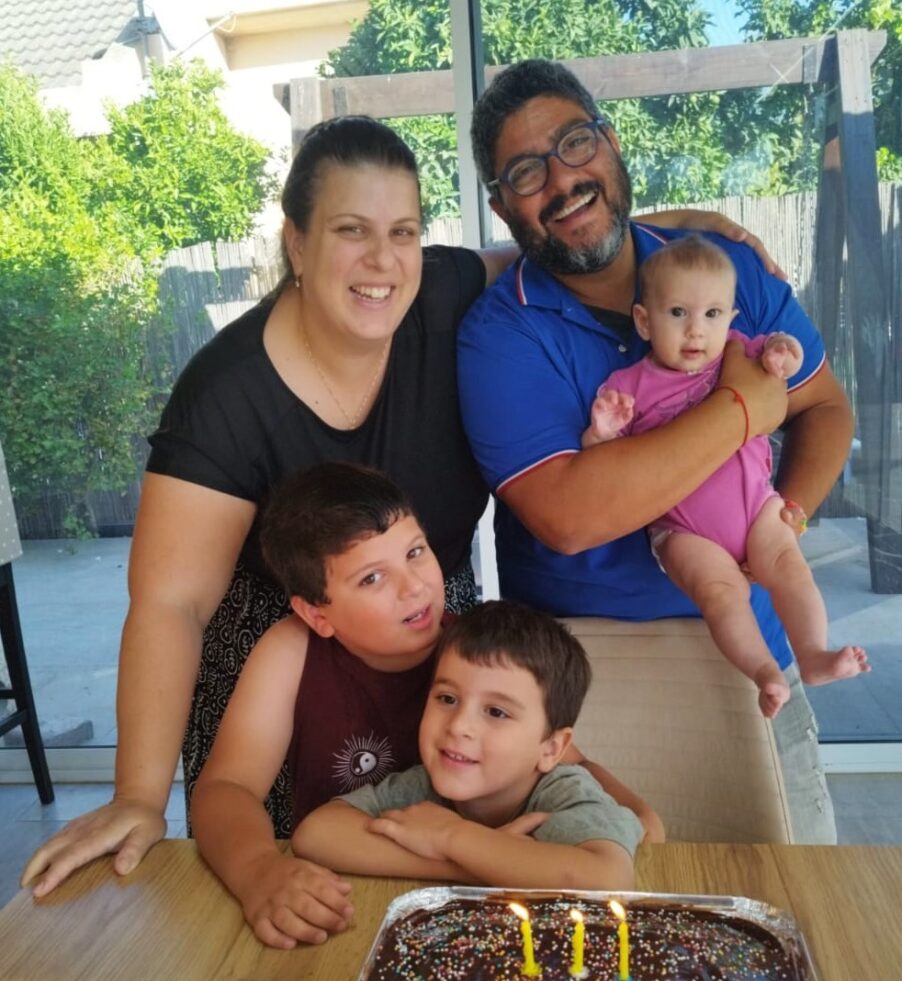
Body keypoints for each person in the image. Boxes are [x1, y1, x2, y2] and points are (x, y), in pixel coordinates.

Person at [19, 111, 770, 899]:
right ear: (297, 243)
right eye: (351, 230)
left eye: (403, 232)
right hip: (283, 658)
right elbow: (170, 603)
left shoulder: (440, 294)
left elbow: (549, 246)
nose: (382, 261)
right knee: (293, 889)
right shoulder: (227, 395)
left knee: (455, 852)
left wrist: (677, 225)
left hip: (431, 641)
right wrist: (138, 796)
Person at [459, 59, 856, 843]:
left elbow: (825, 406)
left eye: (576, 143)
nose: (562, 179)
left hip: (758, 654)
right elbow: (569, 518)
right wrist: (742, 408)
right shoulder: (499, 333)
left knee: (792, 889)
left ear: (610, 142)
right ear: (502, 205)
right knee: (602, 906)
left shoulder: (725, 269)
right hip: (585, 675)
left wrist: (785, 519)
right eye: (527, 172)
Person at [190, 463, 660, 948]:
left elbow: (564, 761)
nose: (414, 586)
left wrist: (635, 812)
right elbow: (228, 787)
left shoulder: (473, 654)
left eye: (415, 552)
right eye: (373, 578)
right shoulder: (291, 650)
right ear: (316, 613)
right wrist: (258, 870)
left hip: (473, 921)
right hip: (341, 897)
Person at [580, 235, 869, 719]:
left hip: (758, 509)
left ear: (731, 319)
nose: (696, 330)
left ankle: (812, 655)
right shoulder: (627, 386)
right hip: (683, 530)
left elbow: (787, 360)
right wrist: (600, 433)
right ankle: (763, 672)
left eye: (712, 314)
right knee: (720, 595)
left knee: (790, 567)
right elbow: (601, 468)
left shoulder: (738, 354)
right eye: (678, 313)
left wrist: (784, 352)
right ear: (644, 321)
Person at [293, 599, 643, 891]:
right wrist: (466, 866)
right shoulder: (423, 786)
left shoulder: (564, 792)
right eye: (447, 698)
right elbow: (317, 834)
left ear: (551, 749)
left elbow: (607, 878)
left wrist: (451, 836)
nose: (459, 725)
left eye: (496, 712)